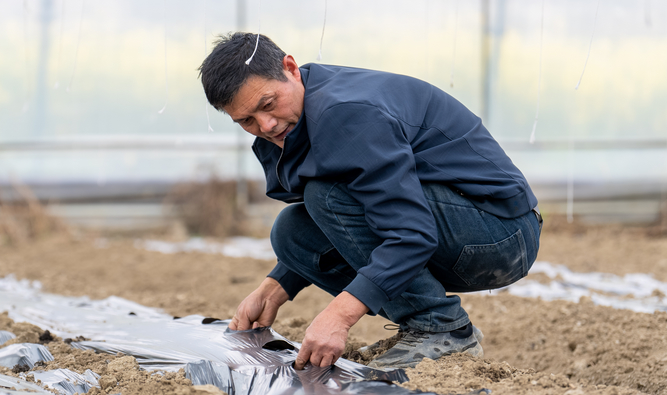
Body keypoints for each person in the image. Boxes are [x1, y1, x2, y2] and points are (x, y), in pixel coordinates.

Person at [198, 32, 541, 371]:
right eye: (246, 120)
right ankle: (427, 325)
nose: (266, 125)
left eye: (268, 105)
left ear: (290, 68)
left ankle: (442, 328)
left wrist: (339, 316)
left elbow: (410, 233)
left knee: (326, 196)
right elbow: (350, 219)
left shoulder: (347, 114)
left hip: (501, 234)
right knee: (292, 232)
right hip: (461, 227)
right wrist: (277, 286)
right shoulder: (297, 117)